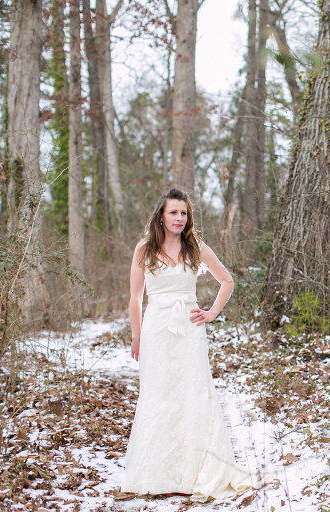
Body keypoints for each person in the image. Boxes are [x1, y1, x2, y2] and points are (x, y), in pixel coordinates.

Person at [121, 188, 253, 501]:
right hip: (156, 330)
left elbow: (227, 281)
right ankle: (157, 474)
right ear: (161, 216)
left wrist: (211, 313)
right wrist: (136, 335)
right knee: (158, 395)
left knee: (194, 394)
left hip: (190, 330)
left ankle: (192, 473)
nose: (179, 218)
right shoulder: (144, 249)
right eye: (173, 212)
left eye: (184, 213)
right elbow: (135, 297)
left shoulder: (196, 248)